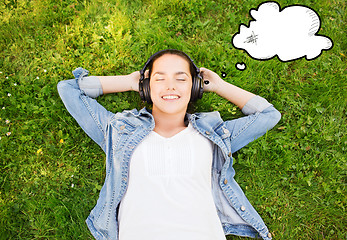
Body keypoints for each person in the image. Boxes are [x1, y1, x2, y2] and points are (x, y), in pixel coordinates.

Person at [57, 49, 281, 240]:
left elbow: (268, 115)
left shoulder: (214, 134)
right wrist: (128, 81)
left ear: (194, 87)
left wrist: (219, 86)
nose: (170, 86)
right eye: (160, 78)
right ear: (146, 87)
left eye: (181, 78)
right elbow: (69, 89)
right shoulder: (118, 131)